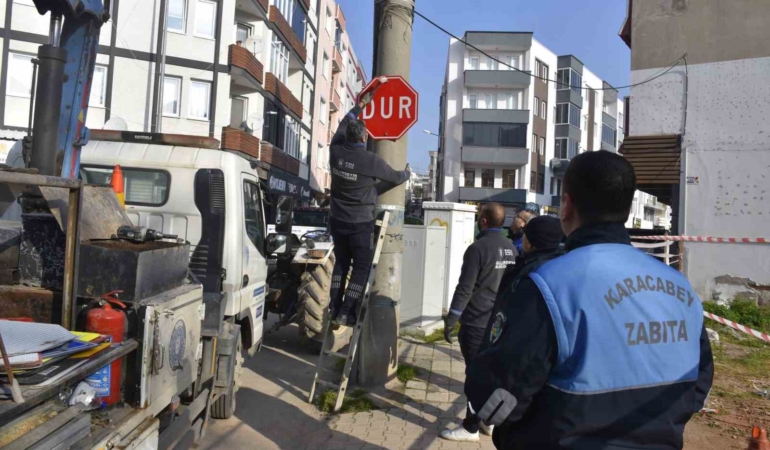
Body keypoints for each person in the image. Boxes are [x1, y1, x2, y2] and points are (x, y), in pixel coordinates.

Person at [465, 150, 714, 450]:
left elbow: (492, 401)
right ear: (627, 206)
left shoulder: (548, 285)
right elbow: (699, 384)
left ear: (566, 206)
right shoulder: (680, 287)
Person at [328, 77, 411, 327]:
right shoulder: (371, 161)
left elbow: (347, 119)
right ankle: (346, 313)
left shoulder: (335, 149)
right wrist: (407, 173)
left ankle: (334, 307)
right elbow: (395, 177)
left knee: (341, 264)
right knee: (361, 268)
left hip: (337, 219)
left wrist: (364, 101)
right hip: (360, 223)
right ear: (364, 138)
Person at [440, 203, 517, 442]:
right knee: (490, 374)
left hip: (475, 323)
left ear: (483, 221)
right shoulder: (511, 249)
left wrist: (451, 319)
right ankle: (487, 421)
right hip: (499, 324)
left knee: (474, 375)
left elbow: (465, 287)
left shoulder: (477, 249)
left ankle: (470, 427)